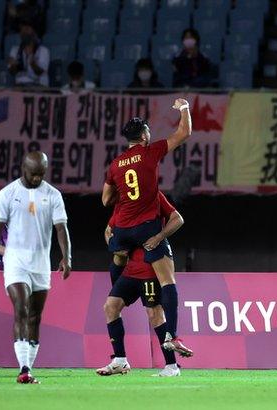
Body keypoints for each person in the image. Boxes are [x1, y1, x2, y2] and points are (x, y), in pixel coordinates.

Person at [102, 98, 192, 357]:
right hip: (147, 230)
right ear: (144, 135)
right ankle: (172, 336)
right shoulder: (150, 152)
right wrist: (184, 108)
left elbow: (105, 199)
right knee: (167, 281)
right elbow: (183, 133)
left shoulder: (116, 164)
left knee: (117, 255)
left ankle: (119, 295)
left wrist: (122, 196)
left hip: (123, 231)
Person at [0, 152, 72, 384]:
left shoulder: (53, 195)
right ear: (23, 167)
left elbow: (61, 229)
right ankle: (23, 368)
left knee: (35, 317)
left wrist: (66, 257)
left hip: (41, 265)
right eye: (34, 173)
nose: (37, 178)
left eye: (42, 173)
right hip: (15, 263)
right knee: (21, 309)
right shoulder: (8, 194)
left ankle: (28, 368)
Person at [97, 192, 184, 377]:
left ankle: (171, 366)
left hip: (150, 268)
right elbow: (108, 230)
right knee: (110, 307)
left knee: (154, 314)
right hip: (130, 270)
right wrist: (114, 246)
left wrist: (159, 237)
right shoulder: (124, 201)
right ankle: (120, 360)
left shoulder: (153, 196)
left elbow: (177, 219)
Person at [7, 21, 49, 87]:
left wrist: (32, 64)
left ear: (34, 33)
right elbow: (12, 72)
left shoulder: (43, 50)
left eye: (27, 29)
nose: (24, 32)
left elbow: (40, 72)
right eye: (22, 30)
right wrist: (13, 65)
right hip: (20, 87)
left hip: (39, 87)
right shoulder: (15, 50)